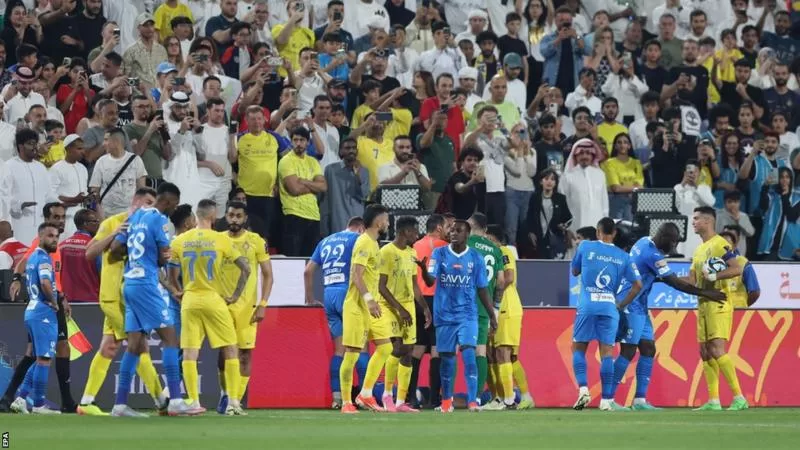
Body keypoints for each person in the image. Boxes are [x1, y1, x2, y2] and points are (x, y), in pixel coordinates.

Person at [609, 223, 726, 410]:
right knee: (628, 351)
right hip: (630, 304)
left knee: (648, 348)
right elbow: (675, 284)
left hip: (640, 305)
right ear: (663, 237)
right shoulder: (653, 255)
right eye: (672, 243)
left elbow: (653, 275)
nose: (672, 249)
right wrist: (707, 293)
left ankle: (639, 401)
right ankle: (608, 399)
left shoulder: (643, 241)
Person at [75, 189, 167, 416]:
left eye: (152, 204)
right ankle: (161, 400)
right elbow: (89, 253)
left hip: (132, 297)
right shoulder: (112, 223)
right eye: (146, 202)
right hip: (113, 297)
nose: (149, 208)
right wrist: (114, 233)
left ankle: (86, 403)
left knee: (109, 347)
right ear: (134, 201)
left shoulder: (148, 227)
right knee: (138, 345)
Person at [107, 182, 192, 417]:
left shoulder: (134, 217)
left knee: (134, 346)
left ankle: (120, 405)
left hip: (130, 283)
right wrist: (159, 256)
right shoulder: (158, 219)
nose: (174, 210)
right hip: (146, 284)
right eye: (174, 205)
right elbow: (164, 258)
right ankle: (175, 399)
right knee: (171, 339)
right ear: (168, 201)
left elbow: (114, 249)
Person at [168, 199, 251, 416]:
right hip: (214, 299)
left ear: (196, 217)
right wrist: (235, 295)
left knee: (189, 353)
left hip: (190, 300)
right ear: (214, 217)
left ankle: (193, 401)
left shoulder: (180, 241)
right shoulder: (221, 240)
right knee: (231, 348)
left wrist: (176, 291)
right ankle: (233, 401)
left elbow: (166, 274)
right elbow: (246, 269)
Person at [417, 219, 496, 413]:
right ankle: (446, 401)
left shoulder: (475, 258)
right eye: (451, 229)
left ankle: (472, 401)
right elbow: (430, 282)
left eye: (458, 230)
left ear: (466, 235)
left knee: (469, 353)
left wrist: (492, 314)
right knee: (448, 358)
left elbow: (483, 289)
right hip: (444, 315)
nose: (453, 233)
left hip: (468, 315)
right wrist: (423, 270)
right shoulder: (439, 253)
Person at [571, 217, 642, 411]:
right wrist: (621, 304)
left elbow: (575, 271)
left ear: (597, 231)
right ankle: (606, 400)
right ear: (615, 233)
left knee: (578, 349)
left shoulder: (585, 246)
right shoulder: (624, 256)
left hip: (587, 305)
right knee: (607, 354)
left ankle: (584, 389)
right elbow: (638, 285)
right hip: (610, 308)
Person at [215, 201, 274, 414]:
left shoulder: (256, 241)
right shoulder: (218, 239)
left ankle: (236, 400)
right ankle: (225, 394)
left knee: (245, 354)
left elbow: (268, 275)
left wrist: (263, 304)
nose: (234, 220)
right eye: (231, 215)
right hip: (222, 305)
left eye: (238, 216)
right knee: (225, 353)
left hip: (248, 307)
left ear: (245, 218)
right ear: (226, 215)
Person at [689, 206, 748, 411]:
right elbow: (691, 280)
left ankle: (739, 397)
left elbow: (736, 268)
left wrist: (714, 276)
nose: (693, 222)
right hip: (703, 304)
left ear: (707, 221)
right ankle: (713, 400)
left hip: (719, 303)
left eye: (696, 218)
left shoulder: (719, 244)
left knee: (716, 349)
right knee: (705, 351)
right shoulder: (698, 250)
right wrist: (663, 278)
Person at [305, 216, 367, 409]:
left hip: (328, 295)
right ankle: (365, 397)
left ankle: (337, 397)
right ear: (361, 229)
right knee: (361, 347)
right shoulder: (358, 239)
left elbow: (308, 271)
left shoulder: (325, 241)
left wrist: (310, 298)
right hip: (348, 295)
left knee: (339, 350)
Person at [338, 204, 391, 414]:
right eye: (386, 220)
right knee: (351, 354)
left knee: (386, 348)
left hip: (372, 307)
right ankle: (345, 402)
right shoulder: (363, 243)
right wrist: (369, 299)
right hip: (358, 306)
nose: (388, 223)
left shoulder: (374, 244)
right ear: (378, 222)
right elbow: (356, 275)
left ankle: (366, 394)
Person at [377, 216, 431, 412]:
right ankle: (386, 395)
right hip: (391, 308)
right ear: (403, 231)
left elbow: (415, 285)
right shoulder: (386, 252)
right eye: (414, 231)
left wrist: (424, 308)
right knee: (397, 349)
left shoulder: (411, 252)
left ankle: (401, 402)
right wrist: (399, 309)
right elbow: (381, 286)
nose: (417, 235)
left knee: (408, 353)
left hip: (408, 308)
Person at [10, 223, 61, 415]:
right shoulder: (44, 259)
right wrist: (54, 302)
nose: (54, 239)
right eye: (50, 236)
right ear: (40, 237)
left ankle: (22, 398)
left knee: (39, 359)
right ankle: (39, 404)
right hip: (43, 313)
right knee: (45, 359)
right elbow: (46, 283)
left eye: (56, 236)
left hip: (32, 311)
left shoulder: (32, 257)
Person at [485, 226, 534, 410]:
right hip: (500, 309)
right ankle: (514, 397)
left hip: (506, 308)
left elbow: (509, 277)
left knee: (503, 353)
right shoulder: (494, 255)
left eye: (488, 238)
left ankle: (507, 399)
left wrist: (491, 295)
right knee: (502, 356)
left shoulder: (503, 252)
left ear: (494, 238)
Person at [410, 214, 452, 409]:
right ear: (438, 228)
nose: (448, 230)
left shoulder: (415, 246)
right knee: (437, 349)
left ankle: (410, 397)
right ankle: (434, 400)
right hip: (437, 300)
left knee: (417, 348)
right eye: (446, 226)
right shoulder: (444, 246)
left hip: (417, 301)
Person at [466, 212, 506, 408]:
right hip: (485, 306)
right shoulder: (495, 250)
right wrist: (495, 310)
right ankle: (476, 398)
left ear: (470, 225)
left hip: (462, 304)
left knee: (451, 350)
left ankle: (445, 398)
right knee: (480, 351)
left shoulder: (465, 244)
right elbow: (501, 282)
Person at [0, 128, 56, 245]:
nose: (35, 147)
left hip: (40, 224)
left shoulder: (41, 167)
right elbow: (3, 197)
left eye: (36, 143)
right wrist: (19, 205)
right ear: (20, 146)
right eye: (30, 144)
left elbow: (49, 195)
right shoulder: (8, 166)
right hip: (18, 223)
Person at [278, 127, 327, 256]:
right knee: (293, 261)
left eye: (302, 140)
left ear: (308, 142)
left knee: (310, 261)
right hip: (294, 215)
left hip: (314, 215)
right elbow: (294, 190)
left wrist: (304, 181)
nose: (298, 143)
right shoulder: (286, 161)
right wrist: (313, 186)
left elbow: (323, 187)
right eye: (295, 140)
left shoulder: (313, 162)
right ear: (291, 142)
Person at [88, 128, 148, 217]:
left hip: (130, 215)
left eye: (106, 140)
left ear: (116, 141)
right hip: (107, 215)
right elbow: (95, 190)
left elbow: (142, 190)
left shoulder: (136, 160)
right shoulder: (101, 161)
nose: (103, 144)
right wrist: (99, 214)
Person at [560, 138, 608, 230]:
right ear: (575, 156)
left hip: (598, 223)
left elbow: (604, 202)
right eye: (581, 153)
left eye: (588, 153)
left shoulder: (600, 174)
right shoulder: (567, 177)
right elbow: (563, 203)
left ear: (593, 155)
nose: (584, 156)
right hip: (575, 225)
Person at [58, 209, 101, 303]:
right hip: (91, 300)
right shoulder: (95, 246)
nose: (98, 224)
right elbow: (102, 273)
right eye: (95, 221)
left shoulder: (61, 246)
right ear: (85, 224)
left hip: (66, 301)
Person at [719, 230, 761, 309]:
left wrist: (742, 306)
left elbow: (755, 292)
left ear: (734, 246)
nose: (724, 247)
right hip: (718, 312)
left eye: (727, 244)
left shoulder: (743, 263)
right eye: (720, 244)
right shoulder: (712, 263)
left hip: (737, 312)